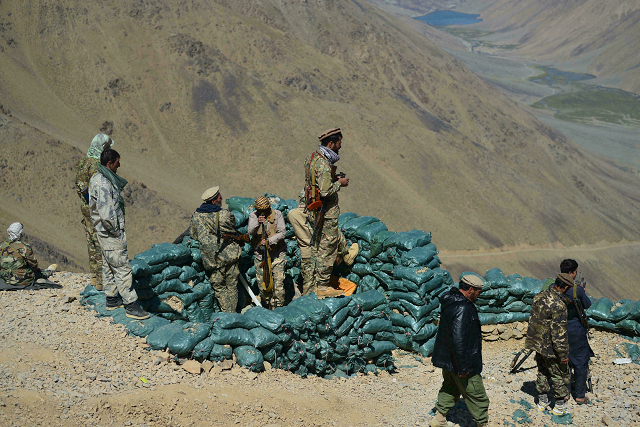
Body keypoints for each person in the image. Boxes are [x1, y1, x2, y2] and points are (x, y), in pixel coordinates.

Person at [89, 148, 149, 320]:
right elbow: (106, 213)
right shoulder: (103, 183)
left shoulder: (98, 178)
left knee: (109, 264)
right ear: (109, 163)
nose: (119, 165)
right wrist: (116, 231)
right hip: (110, 232)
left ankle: (112, 298)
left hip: (104, 232)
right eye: (117, 162)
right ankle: (131, 305)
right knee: (122, 267)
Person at [430, 275, 489, 427]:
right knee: (477, 394)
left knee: (450, 387)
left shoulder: (451, 301)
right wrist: (463, 367)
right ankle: (482, 424)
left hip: (448, 359)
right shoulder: (463, 308)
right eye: (478, 292)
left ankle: (439, 419)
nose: (479, 295)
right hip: (461, 361)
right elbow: (458, 339)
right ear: (470, 290)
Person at [303, 127, 352, 295]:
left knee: (316, 246)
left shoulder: (312, 159)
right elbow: (325, 192)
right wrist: (340, 183)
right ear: (331, 143)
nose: (340, 147)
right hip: (325, 213)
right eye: (338, 143)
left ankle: (313, 283)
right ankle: (322, 286)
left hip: (314, 210)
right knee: (328, 248)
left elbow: (316, 183)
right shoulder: (323, 164)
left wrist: (332, 179)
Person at [288, 193, 358, 296]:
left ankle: (307, 301)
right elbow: (343, 251)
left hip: (306, 255)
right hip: (321, 256)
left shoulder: (292, 215)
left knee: (308, 286)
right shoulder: (324, 222)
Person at [525, 273, 574, 415]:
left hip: (537, 343)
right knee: (559, 374)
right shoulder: (559, 305)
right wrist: (563, 354)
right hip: (550, 348)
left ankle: (542, 401)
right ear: (564, 287)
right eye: (569, 288)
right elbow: (559, 334)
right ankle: (559, 407)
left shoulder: (540, 296)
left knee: (542, 371)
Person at [189, 186, 241, 313]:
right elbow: (233, 229)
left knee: (220, 289)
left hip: (212, 260)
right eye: (219, 197)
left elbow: (193, 235)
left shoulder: (196, 216)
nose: (222, 198)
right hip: (229, 257)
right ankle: (232, 314)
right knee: (232, 286)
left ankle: (226, 313)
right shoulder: (224, 215)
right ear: (213, 201)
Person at [75, 134, 113, 291]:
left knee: (90, 242)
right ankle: (101, 281)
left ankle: (93, 278)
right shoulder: (98, 165)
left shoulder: (82, 162)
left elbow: (79, 185)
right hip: (97, 209)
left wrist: (86, 199)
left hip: (85, 208)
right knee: (100, 243)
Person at [560, 259, 594, 405]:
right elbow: (587, 305)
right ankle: (580, 395)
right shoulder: (576, 290)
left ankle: (565, 393)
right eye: (575, 272)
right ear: (570, 273)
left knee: (563, 360)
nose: (576, 274)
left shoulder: (553, 287)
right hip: (575, 330)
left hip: (558, 330)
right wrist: (581, 293)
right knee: (580, 361)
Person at [247, 196, 286, 309]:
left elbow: (282, 233)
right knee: (263, 286)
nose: (262, 212)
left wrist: (270, 241)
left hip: (277, 255)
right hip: (261, 257)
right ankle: (267, 307)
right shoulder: (253, 215)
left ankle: (278, 308)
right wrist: (258, 223)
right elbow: (250, 231)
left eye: (265, 209)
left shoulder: (277, 214)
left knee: (278, 286)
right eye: (260, 210)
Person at [0, 223, 55, 289]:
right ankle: (48, 272)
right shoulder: (25, 247)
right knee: (37, 273)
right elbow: (33, 266)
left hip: (4, 279)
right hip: (22, 280)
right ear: (20, 233)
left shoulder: (1, 246)